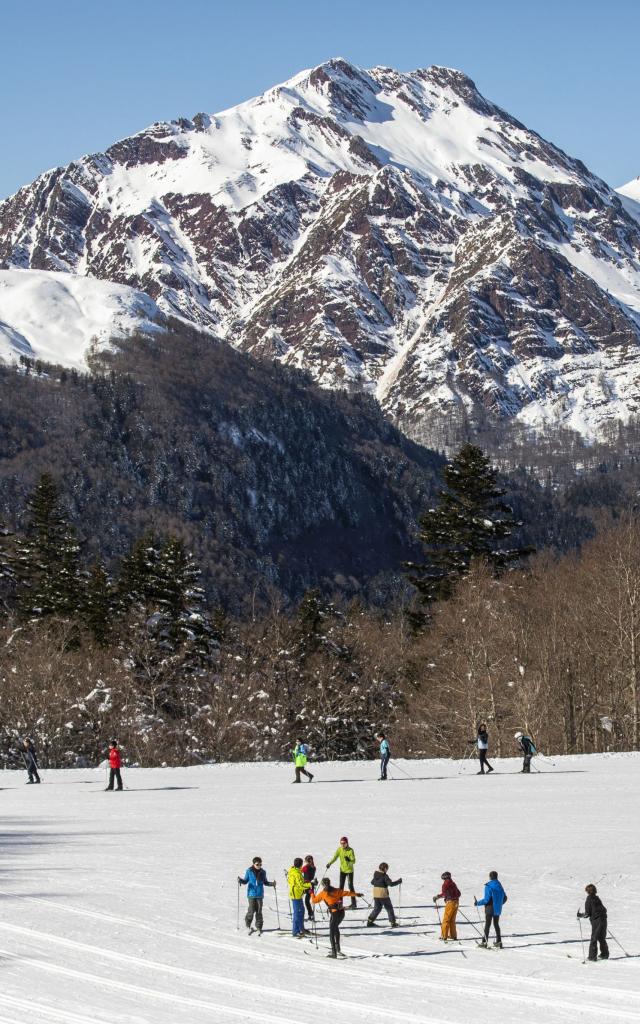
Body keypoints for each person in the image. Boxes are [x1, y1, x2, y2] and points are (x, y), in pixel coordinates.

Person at [312, 877, 363, 958]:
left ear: (322, 885)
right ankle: (337, 948)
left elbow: (314, 901)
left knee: (331, 932)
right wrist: (357, 894)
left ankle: (334, 953)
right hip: (341, 913)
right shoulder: (336, 890)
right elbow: (347, 893)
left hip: (335, 914)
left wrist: (312, 892)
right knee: (335, 928)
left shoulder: (323, 893)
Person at [238, 856, 276, 934]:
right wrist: (240, 881)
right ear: (253, 864)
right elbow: (245, 881)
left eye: (260, 864)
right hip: (251, 894)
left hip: (259, 894)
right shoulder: (249, 871)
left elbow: (265, 882)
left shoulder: (263, 872)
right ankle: (248, 925)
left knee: (259, 911)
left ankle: (259, 926)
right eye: (257, 864)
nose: (259, 866)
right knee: (251, 910)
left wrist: (272, 884)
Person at [475, 870, 507, 948]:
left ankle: (484, 942)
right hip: (497, 909)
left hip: (489, 908)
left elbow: (486, 900)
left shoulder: (488, 886)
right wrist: (499, 904)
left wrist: (477, 903)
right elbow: (505, 898)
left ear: (490, 877)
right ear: (496, 877)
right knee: (496, 924)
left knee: (487, 925)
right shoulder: (500, 886)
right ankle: (499, 942)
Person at [578, 883, 609, 961]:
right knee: (601, 937)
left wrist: (580, 915)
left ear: (588, 891)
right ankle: (604, 954)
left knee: (594, 938)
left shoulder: (589, 899)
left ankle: (592, 956)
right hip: (603, 919)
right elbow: (604, 909)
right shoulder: (597, 898)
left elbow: (587, 914)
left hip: (597, 920)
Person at [326, 837, 357, 908]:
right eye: (341, 843)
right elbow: (335, 857)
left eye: (344, 843)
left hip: (349, 871)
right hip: (342, 870)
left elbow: (354, 861)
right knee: (341, 887)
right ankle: (340, 903)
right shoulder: (339, 850)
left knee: (350, 886)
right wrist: (329, 863)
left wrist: (349, 860)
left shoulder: (350, 850)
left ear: (347, 843)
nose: (342, 845)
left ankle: (354, 903)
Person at [367, 862, 401, 927]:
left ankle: (370, 921)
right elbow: (390, 884)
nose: (387, 870)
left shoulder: (376, 874)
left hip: (376, 894)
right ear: (385, 868)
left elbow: (372, 882)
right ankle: (393, 923)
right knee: (389, 908)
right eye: (387, 868)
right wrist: (398, 881)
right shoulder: (385, 876)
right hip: (383, 895)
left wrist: (378, 883)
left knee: (377, 909)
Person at [287, 857, 312, 937]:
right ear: (301, 865)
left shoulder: (294, 870)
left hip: (297, 894)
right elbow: (300, 885)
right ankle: (295, 931)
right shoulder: (296, 873)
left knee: (301, 911)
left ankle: (301, 928)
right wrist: (310, 884)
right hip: (296, 896)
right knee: (297, 913)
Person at [433, 871, 461, 940]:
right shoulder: (453, 883)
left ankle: (444, 936)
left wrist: (437, 897)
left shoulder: (445, 884)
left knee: (446, 919)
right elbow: (459, 893)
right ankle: (453, 935)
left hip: (450, 903)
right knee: (452, 919)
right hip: (456, 902)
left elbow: (444, 894)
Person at [301, 854, 317, 921]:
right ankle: (311, 914)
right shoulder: (314, 867)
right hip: (311, 885)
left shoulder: (305, 867)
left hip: (305, 885)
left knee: (305, 901)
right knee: (307, 900)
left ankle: (309, 914)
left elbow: (299, 872)